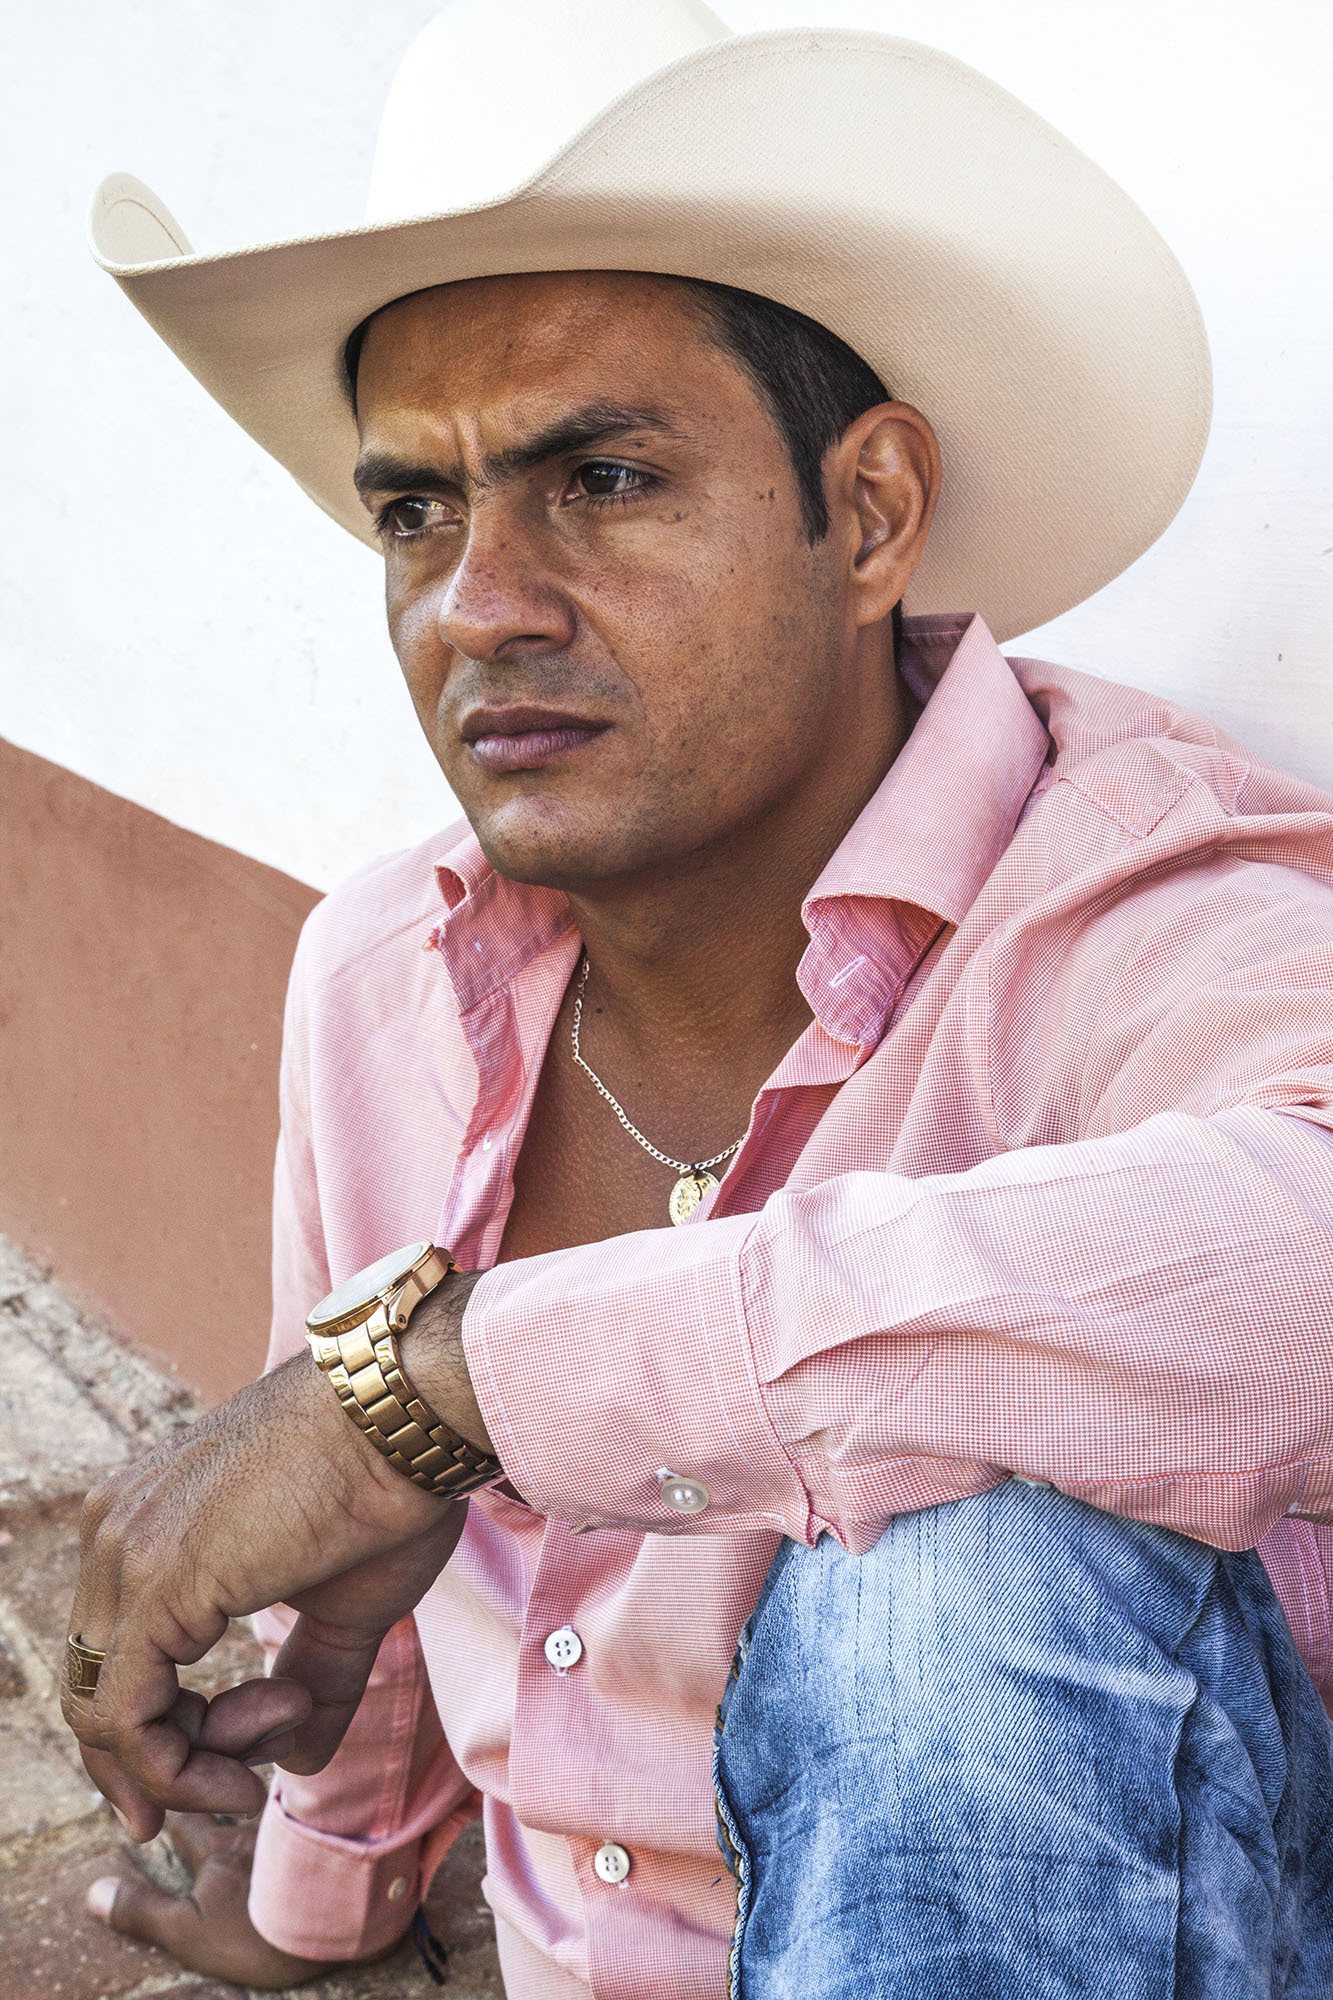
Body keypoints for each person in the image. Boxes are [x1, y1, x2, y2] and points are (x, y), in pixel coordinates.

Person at [66, 3, 1333, 1995]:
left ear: (875, 512)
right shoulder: (387, 964)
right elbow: (361, 1564)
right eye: (414, 509)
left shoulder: (1138, 897)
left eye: (605, 476)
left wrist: (459, 1383)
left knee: (961, 1572)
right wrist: (322, 1890)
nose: (477, 600)